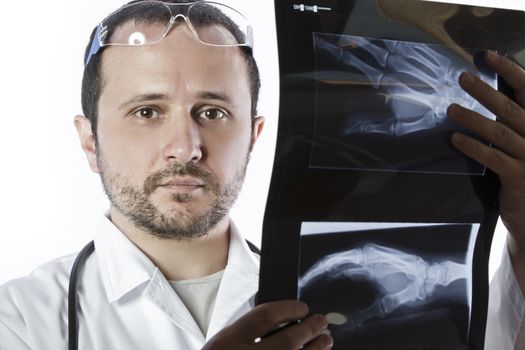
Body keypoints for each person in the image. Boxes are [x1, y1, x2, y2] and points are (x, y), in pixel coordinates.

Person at [0, 1, 523, 349]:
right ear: (90, 140)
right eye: (146, 112)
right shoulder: (19, 319)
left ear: (253, 136)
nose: (185, 147)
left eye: (212, 112)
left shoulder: (334, 299)